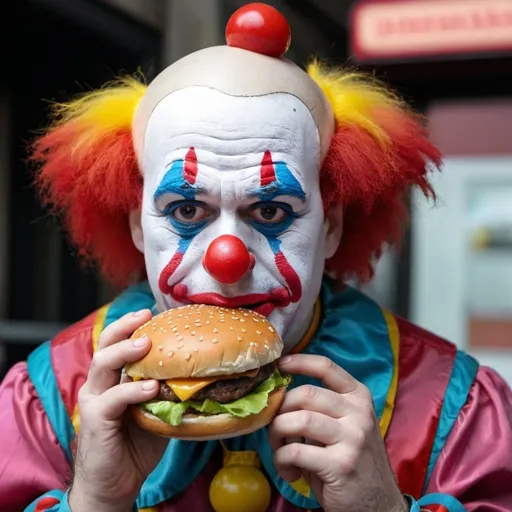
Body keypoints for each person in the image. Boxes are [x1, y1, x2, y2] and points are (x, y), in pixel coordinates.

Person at [1, 3, 511, 512]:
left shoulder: (453, 405)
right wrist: (93, 500)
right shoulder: (44, 399)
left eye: (270, 209)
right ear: (137, 224)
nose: (229, 258)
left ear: (330, 226)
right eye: (185, 208)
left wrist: (382, 507)